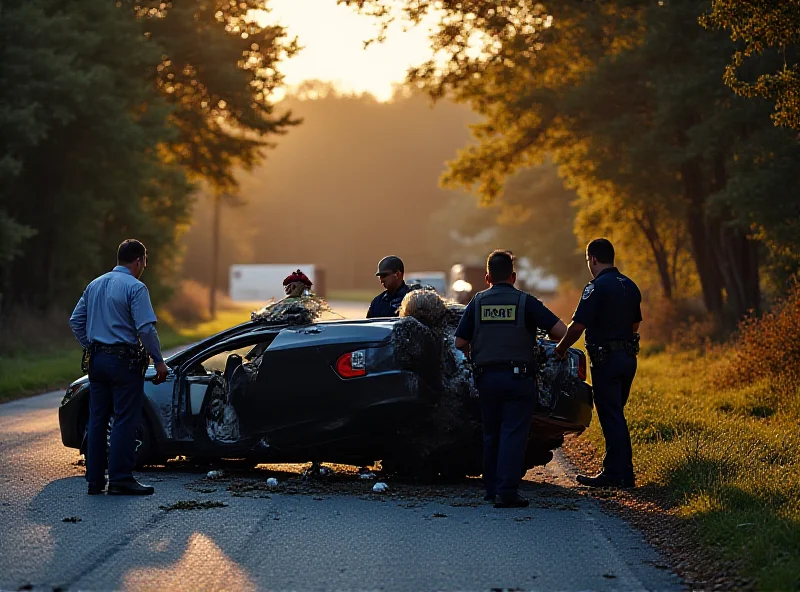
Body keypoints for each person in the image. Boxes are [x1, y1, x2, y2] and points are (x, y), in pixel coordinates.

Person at [455, 250, 567, 508]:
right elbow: (561, 331)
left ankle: (491, 489)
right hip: (519, 379)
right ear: (513, 276)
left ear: (487, 277)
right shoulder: (526, 302)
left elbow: (461, 341)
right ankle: (507, 492)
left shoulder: (477, 302)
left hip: (487, 379)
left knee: (491, 433)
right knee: (513, 434)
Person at [69, 239, 168, 496]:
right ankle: (121, 479)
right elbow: (145, 329)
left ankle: (94, 481)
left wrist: (91, 345)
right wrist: (158, 360)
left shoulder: (95, 284)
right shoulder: (136, 288)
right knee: (125, 417)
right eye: (144, 262)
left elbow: (76, 320)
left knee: (98, 419)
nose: (143, 267)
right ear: (138, 261)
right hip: (124, 362)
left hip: (97, 361)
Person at [553, 238, 642, 489]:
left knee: (610, 415)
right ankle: (618, 470)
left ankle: (619, 475)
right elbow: (635, 324)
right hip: (628, 359)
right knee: (616, 414)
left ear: (592, 259)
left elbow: (577, 326)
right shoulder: (630, 285)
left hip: (607, 360)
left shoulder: (596, 287)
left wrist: (560, 349)